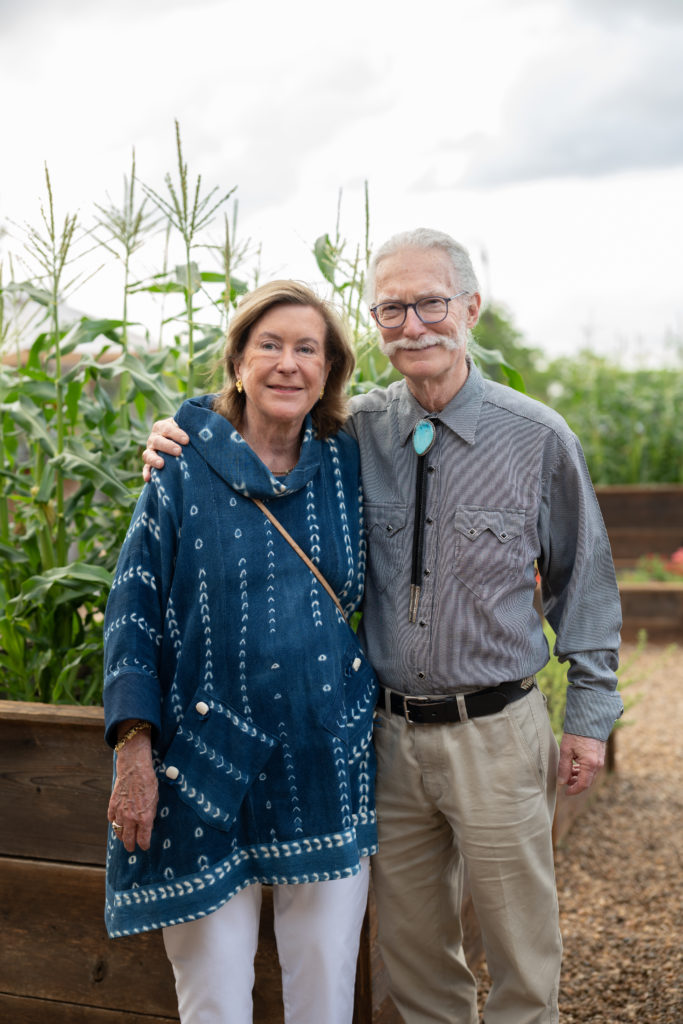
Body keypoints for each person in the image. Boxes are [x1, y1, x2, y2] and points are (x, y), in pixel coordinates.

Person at [143, 229, 623, 1024]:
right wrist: (174, 436)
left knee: (520, 949)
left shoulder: (536, 438)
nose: (412, 325)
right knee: (411, 954)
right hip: (388, 738)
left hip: (497, 731)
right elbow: (255, 431)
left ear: (470, 307)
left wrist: (588, 719)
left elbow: (586, 585)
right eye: (391, 309)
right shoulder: (352, 434)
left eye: (429, 303)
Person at [104, 280, 379, 1024]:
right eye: (269, 345)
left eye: (307, 349)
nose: (288, 364)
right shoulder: (181, 469)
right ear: (237, 362)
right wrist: (134, 753)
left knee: (325, 994)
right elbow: (131, 612)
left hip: (325, 763)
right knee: (214, 1002)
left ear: (329, 372)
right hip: (204, 773)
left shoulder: (354, 467)